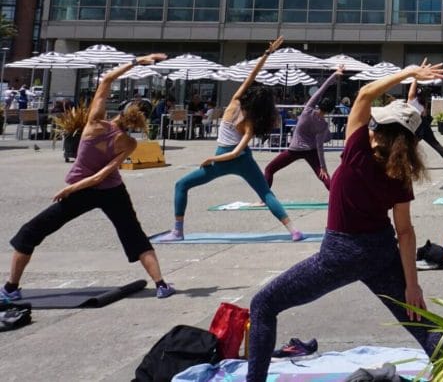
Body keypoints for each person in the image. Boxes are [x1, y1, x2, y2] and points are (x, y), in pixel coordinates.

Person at [245, 61, 443, 381]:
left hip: (340, 254)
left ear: (377, 128)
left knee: (263, 305)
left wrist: (409, 72)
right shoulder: (400, 174)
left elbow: (365, 92)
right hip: (381, 253)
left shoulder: (356, 149)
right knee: (421, 326)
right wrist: (412, 285)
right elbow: (405, 232)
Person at [1, 54, 176, 302]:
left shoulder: (94, 123)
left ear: (122, 110)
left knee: (31, 232)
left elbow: (106, 81)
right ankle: (161, 285)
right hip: (113, 191)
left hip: (84, 190)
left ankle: (10, 287)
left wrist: (137, 62)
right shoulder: (130, 142)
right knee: (134, 235)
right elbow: (105, 174)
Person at [160, 37, 304, 241]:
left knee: (181, 185)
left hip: (223, 157)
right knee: (265, 193)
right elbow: (238, 152)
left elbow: (251, 76)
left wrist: (213, 159)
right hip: (244, 159)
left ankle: (178, 231)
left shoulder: (234, 103)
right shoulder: (251, 122)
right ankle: (293, 231)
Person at [263, 65, 344, 191]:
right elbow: (320, 146)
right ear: (330, 110)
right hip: (311, 151)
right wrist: (323, 167)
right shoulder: (323, 125)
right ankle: (338, 197)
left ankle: (264, 199)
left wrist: (335, 74)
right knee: (324, 176)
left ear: (320, 104)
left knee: (269, 169)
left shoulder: (308, 110)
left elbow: (321, 90)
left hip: (294, 150)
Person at [408, 84, 443, 170]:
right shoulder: (423, 103)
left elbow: (411, 90)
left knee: (409, 147)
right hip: (424, 124)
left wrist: (415, 77)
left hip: (415, 126)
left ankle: (412, 165)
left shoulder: (411, 100)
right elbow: (424, 114)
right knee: (435, 144)